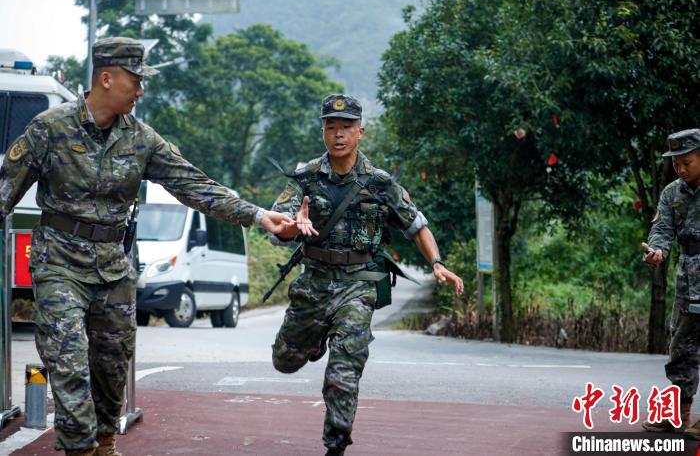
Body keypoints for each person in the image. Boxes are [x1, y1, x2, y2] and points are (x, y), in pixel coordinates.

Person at [0, 37, 293, 456]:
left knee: (111, 365)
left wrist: (260, 215)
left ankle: (103, 443)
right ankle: (79, 449)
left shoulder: (142, 140)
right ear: (107, 77)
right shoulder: (50, 129)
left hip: (113, 268)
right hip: (59, 263)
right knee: (67, 360)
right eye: (135, 80)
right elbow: (3, 192)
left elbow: (195, 185)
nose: (141, 90)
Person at [267, 94, 464, 455]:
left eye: (345, 128)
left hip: (358, 287)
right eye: (331, 128)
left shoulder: (379, 182)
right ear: (322, 132)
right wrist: (295, 225)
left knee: (344, 370)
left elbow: (416, 225)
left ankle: (336, 445)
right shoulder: (304, 178)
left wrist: (437, 262)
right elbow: (276, 226)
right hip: (314, 285)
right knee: (284, 361)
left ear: (360, 132)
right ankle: (313, 342)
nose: (338, 135)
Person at [642, 129, 700, 437]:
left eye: (687, 162)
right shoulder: (672, 193)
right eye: (676, 163)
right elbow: (662, 229)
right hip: (688, 278)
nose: (680, 169)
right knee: (681, 346)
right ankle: (679, 414)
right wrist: (658, 250)